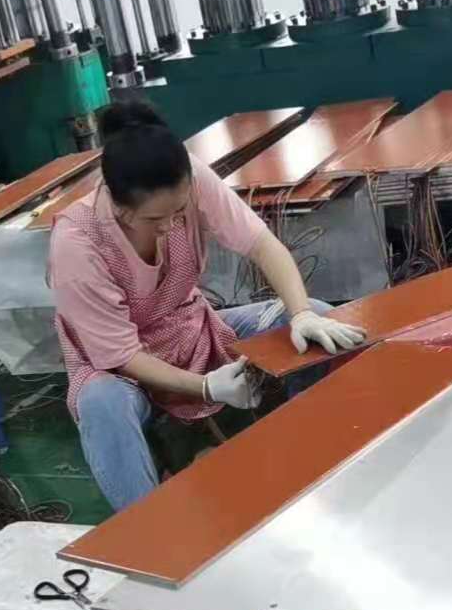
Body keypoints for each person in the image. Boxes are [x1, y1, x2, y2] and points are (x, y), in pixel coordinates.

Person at [49, 101, 367, 510]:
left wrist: (301, 313)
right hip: (119, 367)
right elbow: (121, 355)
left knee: (320, 319)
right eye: (154, 220)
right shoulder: (77, 244)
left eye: (178, 212)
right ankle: (148, 527)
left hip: (191, 330)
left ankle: (308, 459)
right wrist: (205, 386)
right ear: (118, 206)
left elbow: (262, 244)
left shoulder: (190, 178)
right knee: (101, 405)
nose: (169, 226)